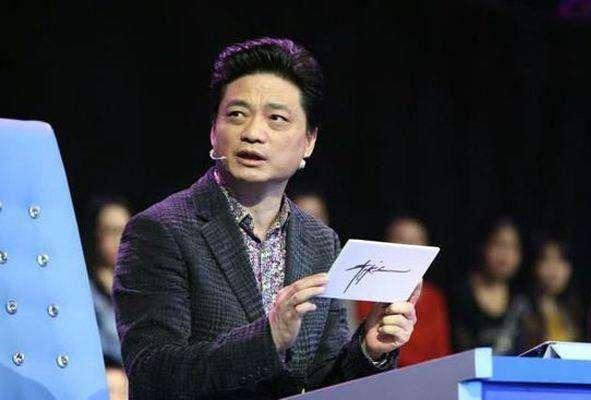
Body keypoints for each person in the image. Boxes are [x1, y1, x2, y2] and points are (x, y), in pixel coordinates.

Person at [113, 37, 420, 399]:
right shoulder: (161, 231)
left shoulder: (320, 241)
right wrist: (268, 338)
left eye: (276, 119)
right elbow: (153, 374)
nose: (253, 133)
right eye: (236, 114)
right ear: (213, 130)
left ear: (309, 141)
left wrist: (369, 350)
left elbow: (323, 383)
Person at [356, 215, 451, 366]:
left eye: (415, 241)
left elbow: (442, 352)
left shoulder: (434, 297)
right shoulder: (365, 293)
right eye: (400, 240)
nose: (409, 248)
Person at [451, 216, 529, 355]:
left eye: (513, 247)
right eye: (499, 244)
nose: (506, 255)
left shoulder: (522, 299)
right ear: (482, 246)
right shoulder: (459, 296)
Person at [83, 197, 131, 400]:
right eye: (112, 230)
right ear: (96, 234)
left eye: (125, 231)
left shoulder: (144, 290)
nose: (120, 238)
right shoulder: (84, 292)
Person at [521, 235, 583, 350]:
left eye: (561, 260)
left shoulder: (576, 311)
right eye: (546, 259)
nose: (554, 267)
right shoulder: (521, 308)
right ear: (534, 265)